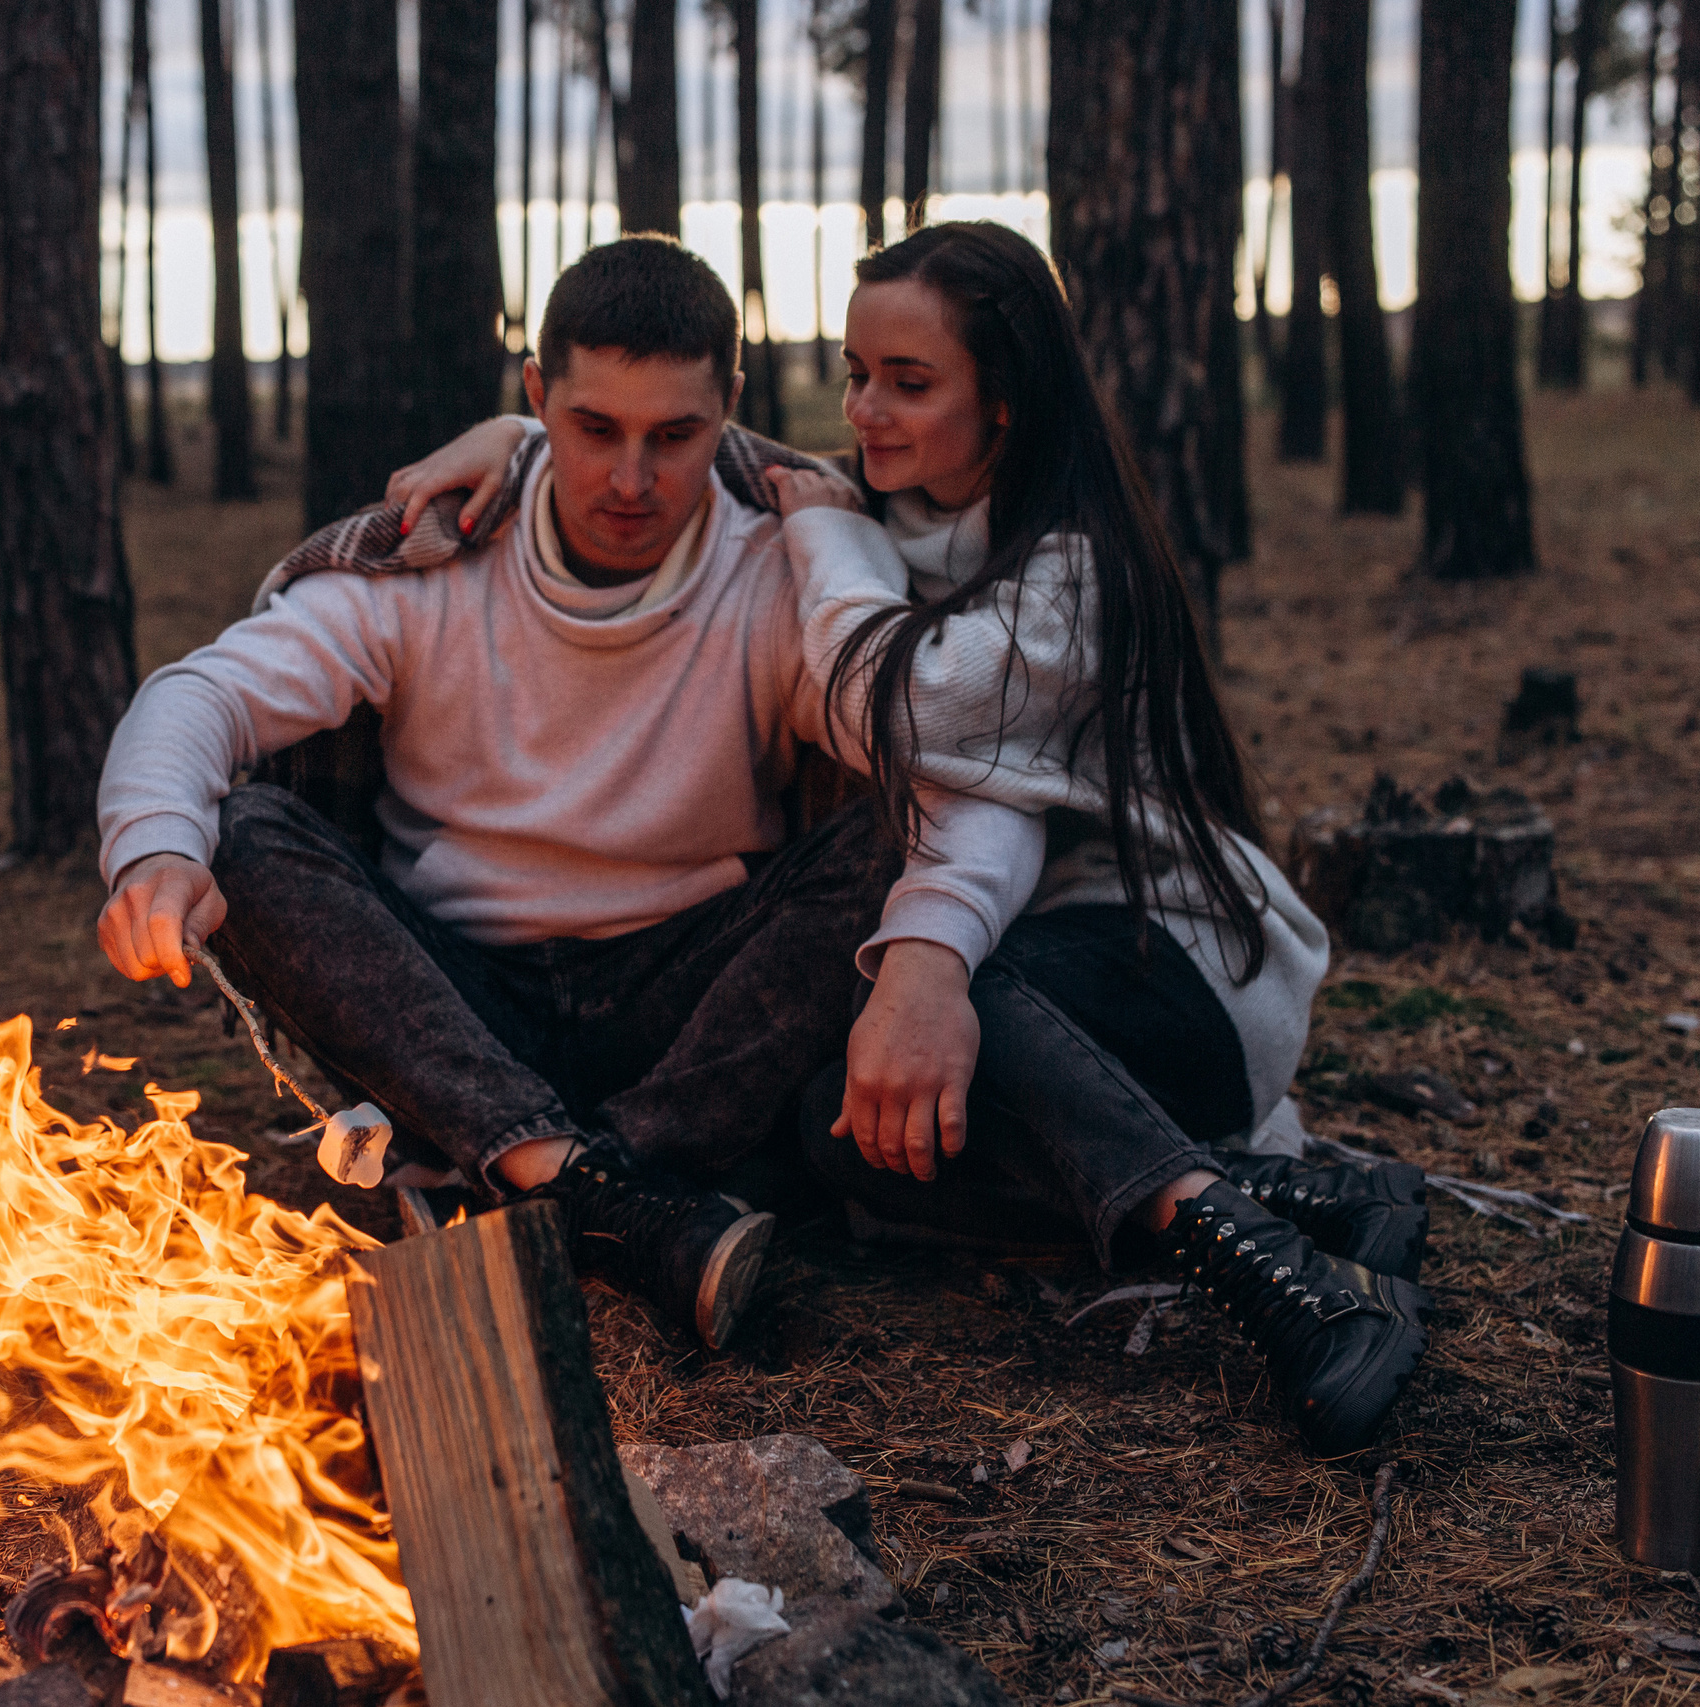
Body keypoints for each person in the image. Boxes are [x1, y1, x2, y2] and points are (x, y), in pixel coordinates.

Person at [390, 224, 1433, 1456]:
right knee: (834, 1127)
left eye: (908, 381)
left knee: (938, 1009)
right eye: (854, 373)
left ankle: (1269, 1268)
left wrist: (829, 535)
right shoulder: (903, 508)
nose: (863, 411)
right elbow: (685, 442)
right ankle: (1311, 1199)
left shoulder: (1068, 581)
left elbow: (886, 705)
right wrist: (516, 442)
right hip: (1025, 970)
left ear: (1004, 398)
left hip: (1178, 973)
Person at [92, 236, 1039, 1352]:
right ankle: (598, 1194)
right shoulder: (432, 561)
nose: (631, 481)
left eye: (674, 437)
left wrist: (931, 959)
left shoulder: (779, 578)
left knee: (884, 832)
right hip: (453, 1001)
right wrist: (154, 848)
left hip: (688, 1008)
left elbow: (949, 766)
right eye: (595, 430)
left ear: (730, 410)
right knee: (244, 833)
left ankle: (563, 1174)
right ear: (537, 399)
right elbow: (204, 693)